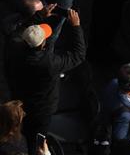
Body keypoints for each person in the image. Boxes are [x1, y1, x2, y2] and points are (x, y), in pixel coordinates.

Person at [8, 11, 86, 146]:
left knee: (18, 126)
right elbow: (78, 55)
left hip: (18, 98)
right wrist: (76, 26)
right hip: (41, 109)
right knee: (37, 138)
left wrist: (38, 16)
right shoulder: (49, 64)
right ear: (42, 44)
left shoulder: (14, 47)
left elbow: (17, 32)